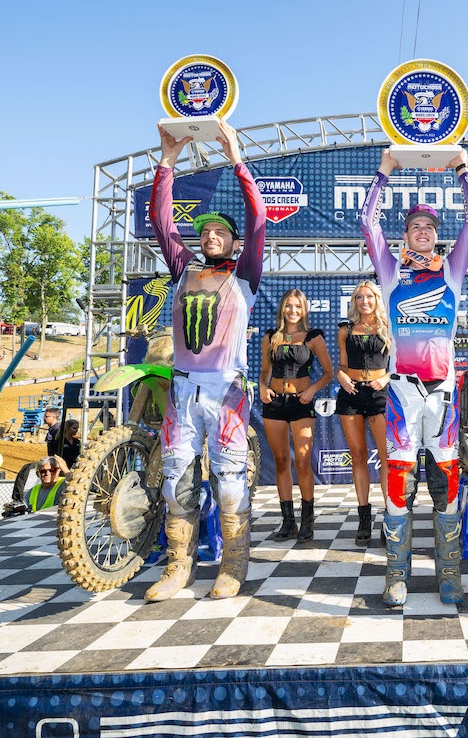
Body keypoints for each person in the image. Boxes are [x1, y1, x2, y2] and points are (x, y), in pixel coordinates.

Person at [145, 120, 265, 602]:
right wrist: (167, 161)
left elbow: (257, 219)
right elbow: (161, 222)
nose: (212, 236)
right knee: (176, 480)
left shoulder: (245, 274)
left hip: (227, 391)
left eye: (221, 232)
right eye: (206, 232)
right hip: (182, 390)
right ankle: (178, 568)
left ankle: (233, 566)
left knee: (231, 485)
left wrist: (236, 156)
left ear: (235, 244)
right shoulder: (183, 270)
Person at [362, 148, 468, 606]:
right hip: (400, 393)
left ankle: (449, 575)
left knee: (447, 483)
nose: (423, 231)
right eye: (415, 226)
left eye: (430, 226)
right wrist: (385, 172)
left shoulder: (451, 272)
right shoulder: (391, 275)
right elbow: (367, 224)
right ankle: (396, 575)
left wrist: (462, 170)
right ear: (406, 235)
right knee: (398, 482)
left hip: (444, 395)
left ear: (437, 235)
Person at [260, 289, 334, 542]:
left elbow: (328, 372)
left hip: (301, 403)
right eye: (289, 306)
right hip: (274, 405)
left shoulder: (313, 337)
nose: (292, 310)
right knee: (281, 461)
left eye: (297, 306)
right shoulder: (271, 337)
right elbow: (265, 371)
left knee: (302, 460)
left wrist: (311, 390)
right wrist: (262, 386)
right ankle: (287, 522)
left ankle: (307, 521)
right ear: (282, 308)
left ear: (304, 310)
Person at [335, 280, 392, 545]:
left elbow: (400, 362)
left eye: (369, 296)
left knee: (385, 457)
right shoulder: (345, 329)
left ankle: (391, 517)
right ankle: (364, 518)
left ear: (377, 299)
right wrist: (341, 376)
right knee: (358, 456)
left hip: (380, 393)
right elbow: (343, 364)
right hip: (352, 394)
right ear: (354, 301)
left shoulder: (388, 327)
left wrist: (387, 379)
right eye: (359, 297)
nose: (364, 301)